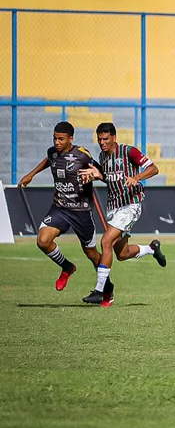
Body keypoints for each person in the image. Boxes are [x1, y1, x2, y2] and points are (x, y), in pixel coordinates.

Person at [17, 121, 115, 303]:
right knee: (43, 241)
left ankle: (107, 289)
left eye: (61, 139)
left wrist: (97, 176)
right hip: (60, 208)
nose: (57, 142)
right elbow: (49, 160)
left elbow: (102, 173)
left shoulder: (82, 155)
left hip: (81, 211)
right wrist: (31, 174)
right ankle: (67, 267)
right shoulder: (52, 152)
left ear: (71, 139)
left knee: (91, 253)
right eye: (55, 138)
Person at [78, 122, 167, 305]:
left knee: (105, 241)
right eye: (99, 139)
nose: (102, 142)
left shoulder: (129, 152)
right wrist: (98, 176)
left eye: (105, 139)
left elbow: (154, 169)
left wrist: (137, 177)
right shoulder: (102, 157)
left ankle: (100, 291)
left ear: (114, 138)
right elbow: (111, 180)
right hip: (113, 207)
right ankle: (152, 249)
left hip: (131, 205)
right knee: (122, 254)